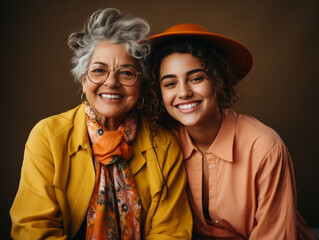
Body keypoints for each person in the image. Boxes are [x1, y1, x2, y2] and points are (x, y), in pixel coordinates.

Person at [10, 9, 192, 239]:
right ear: (83, 79)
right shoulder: (47, 136)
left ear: (140, 83)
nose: (112, 82)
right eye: (98, 71)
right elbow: (34, 229)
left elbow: (172, 232)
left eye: (126, 73)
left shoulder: (164, 145)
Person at [149, 23, 316, 239]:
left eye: (196, 78)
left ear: (218, 80)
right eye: (170, 83)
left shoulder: (265, 147)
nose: (183, 92)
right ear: (158, 92)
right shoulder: (162, 142)